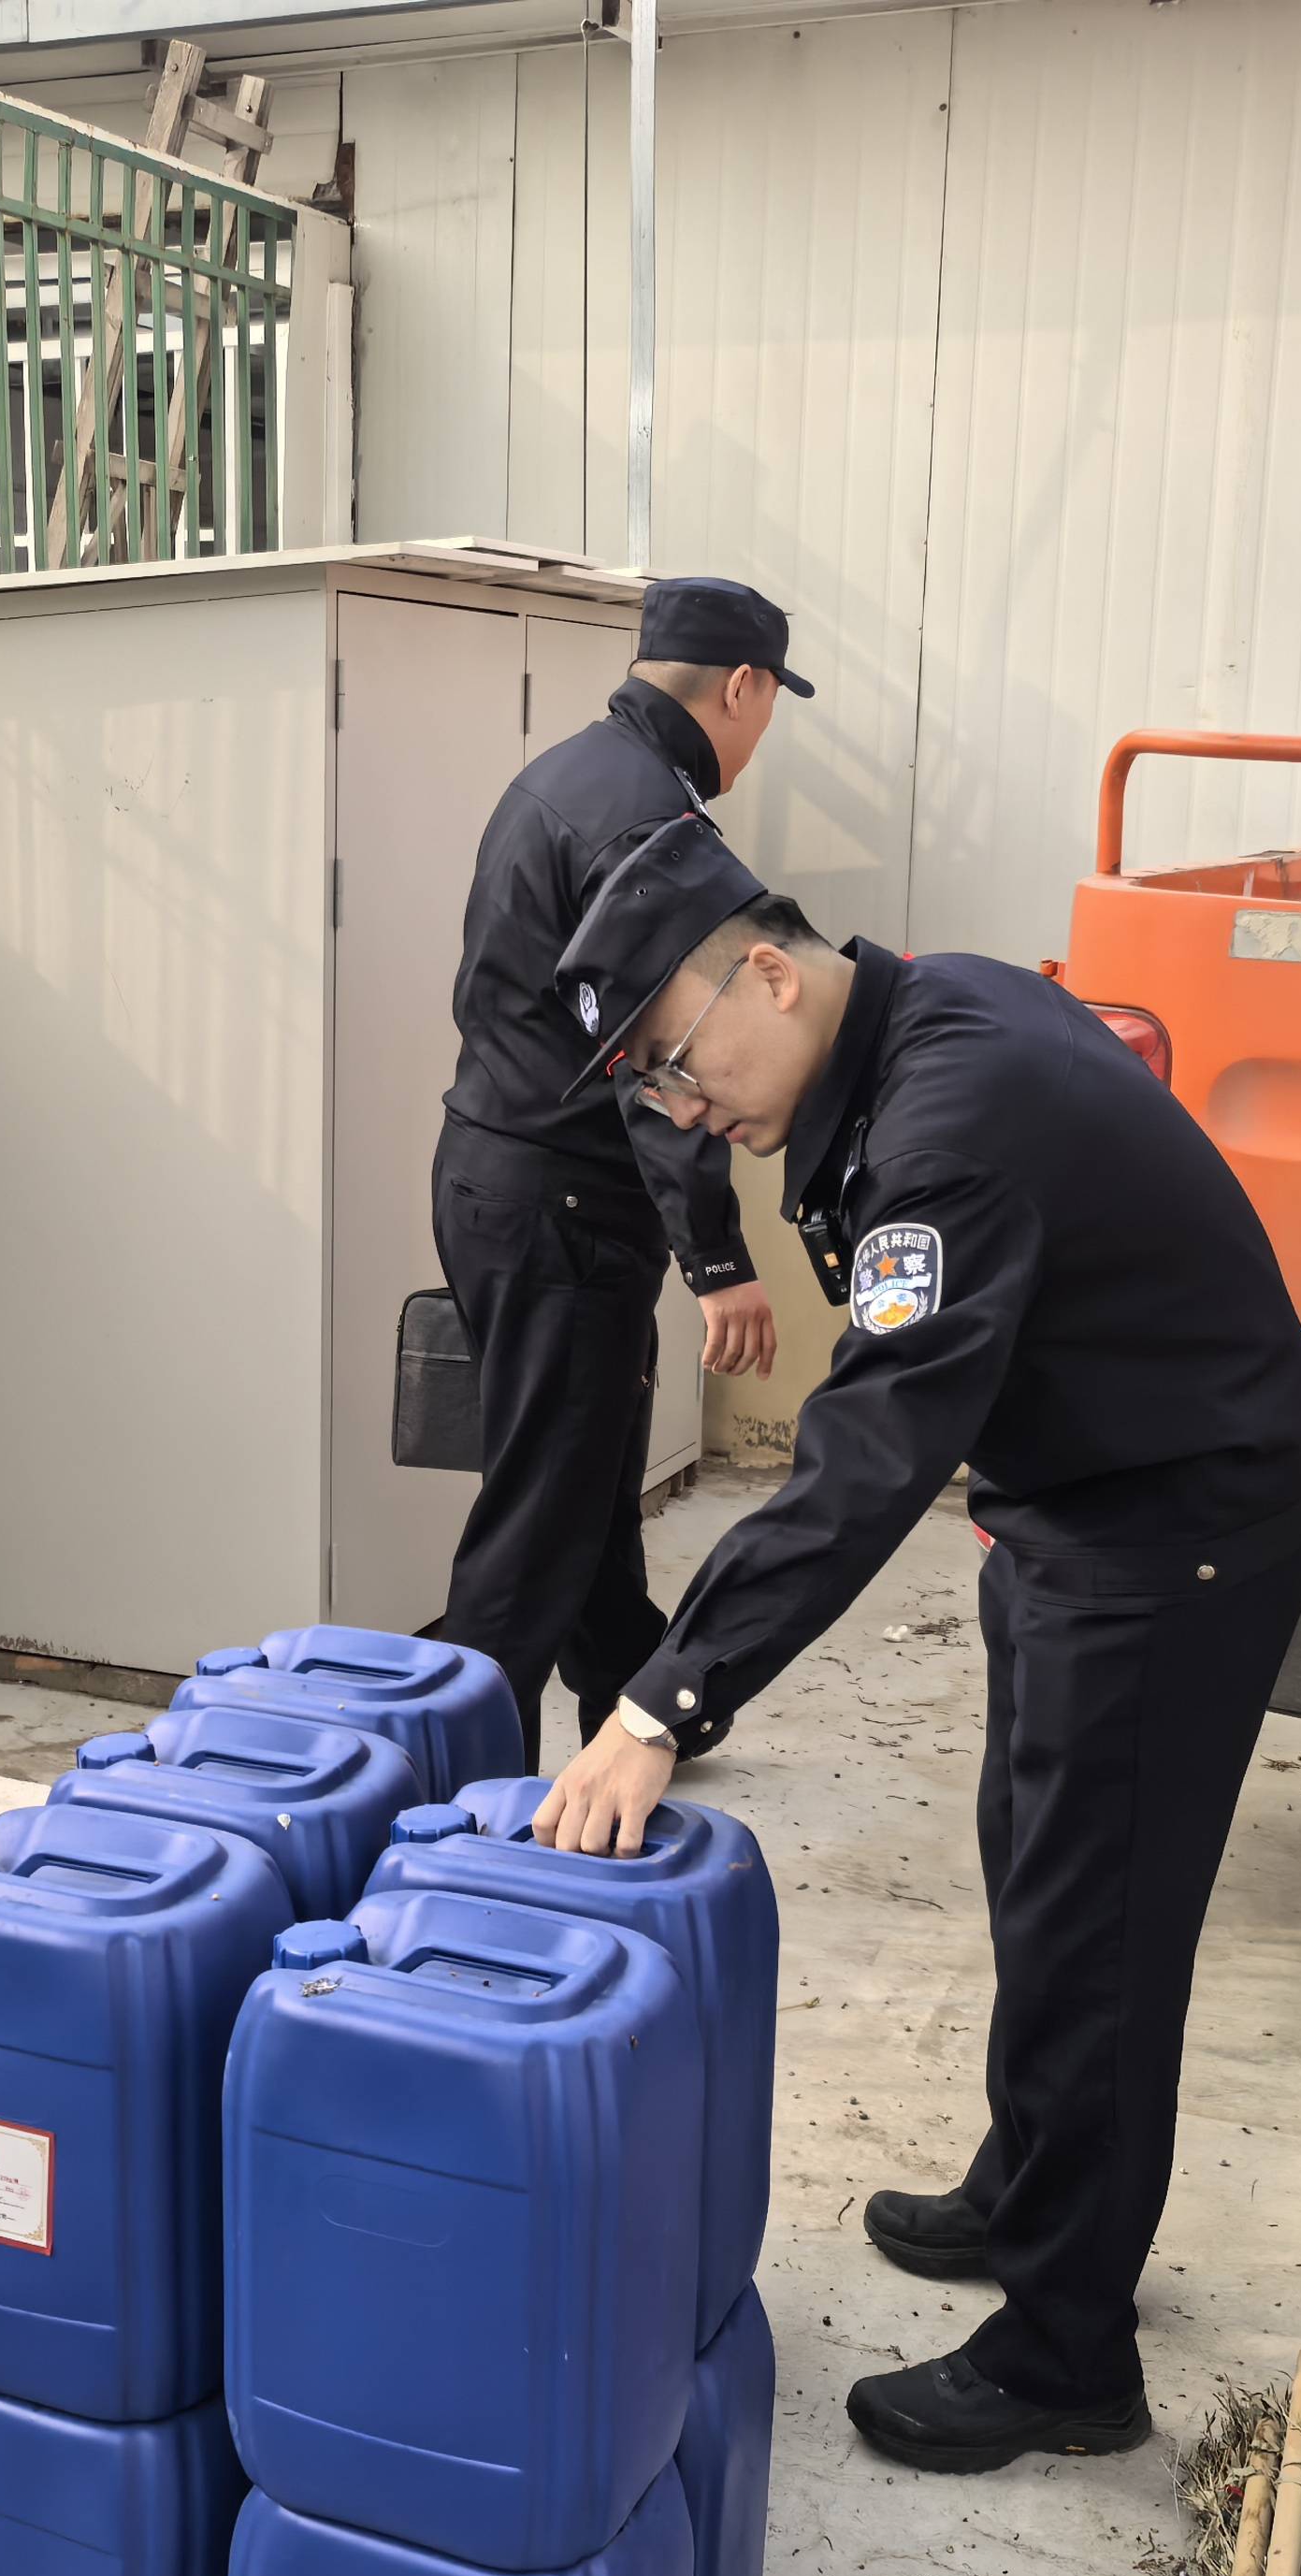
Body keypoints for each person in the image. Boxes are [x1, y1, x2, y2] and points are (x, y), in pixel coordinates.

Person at [527, 818, 1301, 2478]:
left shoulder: (953, 1120)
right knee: (1036, 1874)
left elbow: (869, 1452)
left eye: (675, 1061)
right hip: (1079, 1500)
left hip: (1172, 1527)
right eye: (651, 1093)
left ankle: (1067, 2355)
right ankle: (1031, 2189)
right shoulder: (917, 1018)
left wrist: (663, 1700)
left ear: (766, 972)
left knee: (1097, 1940)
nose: (684, 1109)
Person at [432, 577, 802, 1764]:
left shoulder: (563, 776)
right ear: (740, 686)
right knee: (540, 1514)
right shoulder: (655, 827)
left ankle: (632, 1702)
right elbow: (667, 1059)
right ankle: (465, 1781)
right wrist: (718, 1259)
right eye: (770, 702)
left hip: (493, 1174)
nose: (762, 729)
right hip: (566, 1206)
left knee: (580, 1475)